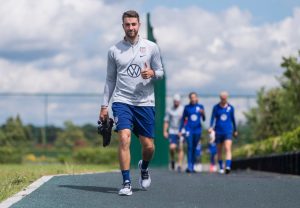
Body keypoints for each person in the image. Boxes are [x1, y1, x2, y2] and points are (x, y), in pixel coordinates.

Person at [99, 10, 164, 196]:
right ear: (123, 26)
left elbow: (160, 72)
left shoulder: (151, 47)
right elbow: (110, 79)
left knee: (149, 146)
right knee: (124, 137)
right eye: (127, 24)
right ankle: (126, 182)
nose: (131, 28)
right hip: (122, 101)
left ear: (139, 25)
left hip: (145, 102)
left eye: (133, 24)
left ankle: (144, 167)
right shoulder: (114, 50)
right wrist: (104, 106)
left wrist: (152, 73)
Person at [208, 91, 238, 174]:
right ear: (220, 98)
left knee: (228, 148)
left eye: (225, 98)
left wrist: (235, 130)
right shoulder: (216, 107)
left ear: (227, 98)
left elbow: (233, 119)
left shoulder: (230, 108)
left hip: (228, 130)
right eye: (222, 98)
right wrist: (210, 127)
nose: (223, 99)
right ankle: (221, 167)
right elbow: (212, 118)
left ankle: (228, 166)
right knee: (219, 150)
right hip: (218, 131)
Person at [179, 92, 205, 173]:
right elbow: (183, 119)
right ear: (189, 98)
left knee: (194, 147)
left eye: (194, 97)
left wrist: (203, 113)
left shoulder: (200, 107)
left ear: (197, 98)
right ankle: (189, 166)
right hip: (189, 129)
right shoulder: (187, 107)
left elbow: (204, 119)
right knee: (189, 146)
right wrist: (180, 130)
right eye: (191, 97)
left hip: (198, 130)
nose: (193, 99)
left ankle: (193, 166)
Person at [163, 94, 184, 172]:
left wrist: (182, 130)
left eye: (178, 101)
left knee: (180, 148)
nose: (176, 103)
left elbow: (185, 120)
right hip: (172, 130)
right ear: (173, 101)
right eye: (175, 101)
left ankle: (179, 165)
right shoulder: (169, 109)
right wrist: (165, 131)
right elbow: (166, 121)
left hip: (181, 131)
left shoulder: (183, 109)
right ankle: (172, 160)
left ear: (180, 101)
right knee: (172, 148)